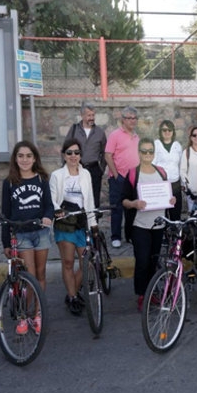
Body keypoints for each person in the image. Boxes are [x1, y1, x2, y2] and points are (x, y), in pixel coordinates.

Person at [122, 137, 176, 311]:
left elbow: (169, 196)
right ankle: (141, 294)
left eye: (150, 151)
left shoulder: (161, 172)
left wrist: (171, 200)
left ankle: (151, 292)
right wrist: (134, 203)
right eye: (144, 151)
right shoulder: (132, 173)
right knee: (142, 261)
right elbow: (123, 200)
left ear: (154, 153)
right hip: (139, 225)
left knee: (153, 261)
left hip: (158, 225)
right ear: (139, 153)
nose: (147, 154)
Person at [1, 141, 53, 300]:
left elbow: (49, 205)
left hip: (41, 233)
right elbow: (6, 214)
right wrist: (6, 243)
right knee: (30, 276)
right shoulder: (9, 182)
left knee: (41, 273)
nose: (25, 160)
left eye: (29, 156)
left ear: (35, 159)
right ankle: (26, 314)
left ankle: (38, 312)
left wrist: (48, 216)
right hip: (22, 234)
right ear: (15, 159)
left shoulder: (41, 179)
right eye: (21, 156)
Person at [50, 139, 97, 316]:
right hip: (65, 222)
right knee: (68, 262)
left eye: (76, 152)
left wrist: (94, 224)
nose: (73, 156)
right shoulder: (57, 175)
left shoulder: (86, 174)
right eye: (69, 153)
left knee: (87, 262)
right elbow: (52, 199)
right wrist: (57, 210)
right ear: (64, 155)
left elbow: (90, 199)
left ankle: (74, 290)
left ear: (80, 155)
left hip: (81, 222)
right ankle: (72, 296)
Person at [104, 106, 140, 248]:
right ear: (123, 120)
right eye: (129, 118)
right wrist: (117, 174)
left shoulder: (137, 137)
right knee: (117, 208)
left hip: (132, 178)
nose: (132, 121)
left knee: (131, 208)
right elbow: (108, 155)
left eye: (134, 118)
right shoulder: (115, 135)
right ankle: (115, 237)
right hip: (118, 178)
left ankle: (130, 236)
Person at [64, 102, 107, 208]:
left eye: (93, 115)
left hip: (94, 169)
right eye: (89, 115)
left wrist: (101, 169)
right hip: (77, 168)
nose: (91, 118)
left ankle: (93, 222)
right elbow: (66, 148)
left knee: (94, 198)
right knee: (77, 196)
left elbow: (104, 152)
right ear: (82, 115)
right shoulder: (74, 130)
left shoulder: (100, 132)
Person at [153, 120, 183, 221]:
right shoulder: (156, 144)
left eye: (169, 130)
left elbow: (180, 164)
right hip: (161, 183)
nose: (167, 132)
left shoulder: (177, 145)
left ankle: (175, 236)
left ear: (173, 131)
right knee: (162, 213)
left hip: (175, 184)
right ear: (160, 131)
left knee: (175, 212)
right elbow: (152, 164)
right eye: (164, 130)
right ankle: (163, 235)